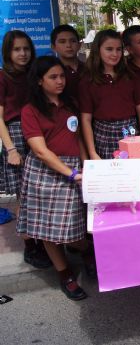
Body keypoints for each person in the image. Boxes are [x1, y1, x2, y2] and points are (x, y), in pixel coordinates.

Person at [16, 56, 94, 300]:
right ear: (40, 81)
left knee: (75, 225)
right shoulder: (30, 110)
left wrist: (86, 166)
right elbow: (40, 151)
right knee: (46, 229)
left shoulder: (70, 104)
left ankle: (86, 252)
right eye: (53, 77)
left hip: (73, 170)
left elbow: (78, 139)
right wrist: (72, 173)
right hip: (44, 173)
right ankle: (65, 275)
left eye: (61, 76)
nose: (60, 81)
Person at [1, 30, 52, 269]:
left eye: (26, 49)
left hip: (37, 133)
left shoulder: (33, 76)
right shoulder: (3, 78)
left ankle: (45, 239)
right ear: (8, 52)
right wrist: (11, 149)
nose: (22, 53)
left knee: (38, 191)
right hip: (15, 137)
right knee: (23, 195)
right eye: (17, 49)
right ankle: (30, 246)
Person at [79, 30, 140, 160]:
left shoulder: (130, 75)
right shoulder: (88, 80)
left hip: (131, 133)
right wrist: (92, 152)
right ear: (98, 50)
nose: (115, 54)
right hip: (103, 136)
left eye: (118, 49)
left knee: (134, 171)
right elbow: (86, 119)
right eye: (109, 49)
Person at [50, 25, 84, 102]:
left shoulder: (90, 69)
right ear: (53, 47)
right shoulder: (50, 73)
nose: (68, 45)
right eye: (62, 42)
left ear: (79, 45)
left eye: (73, 41)